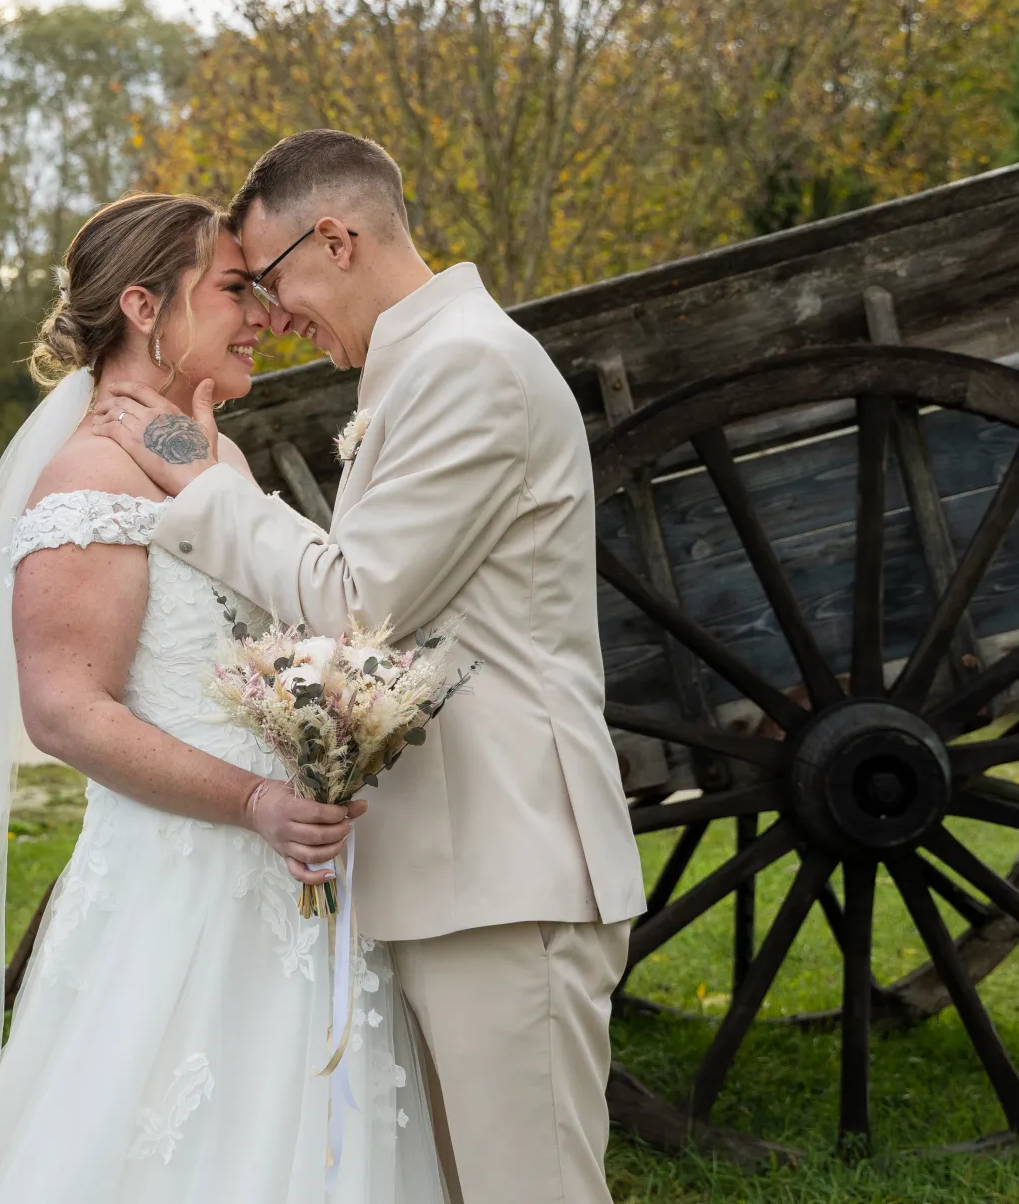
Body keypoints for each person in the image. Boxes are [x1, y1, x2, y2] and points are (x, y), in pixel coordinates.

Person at [0, 192, 449, 1204]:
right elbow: (65, 709)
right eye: (234, 290)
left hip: (292, 878)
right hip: (174, 889)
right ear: (144, 307)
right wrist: (255, 800)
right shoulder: (86, 478)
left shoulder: (216, 455)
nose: (263, 315)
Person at [93, 131, 644, 1204]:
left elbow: (359, 600)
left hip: (507, 864)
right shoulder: (426, 364)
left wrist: (204, 483)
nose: (274, 314)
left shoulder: (468, 366)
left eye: (274, 278)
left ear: (336, 239)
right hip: (451, 871)